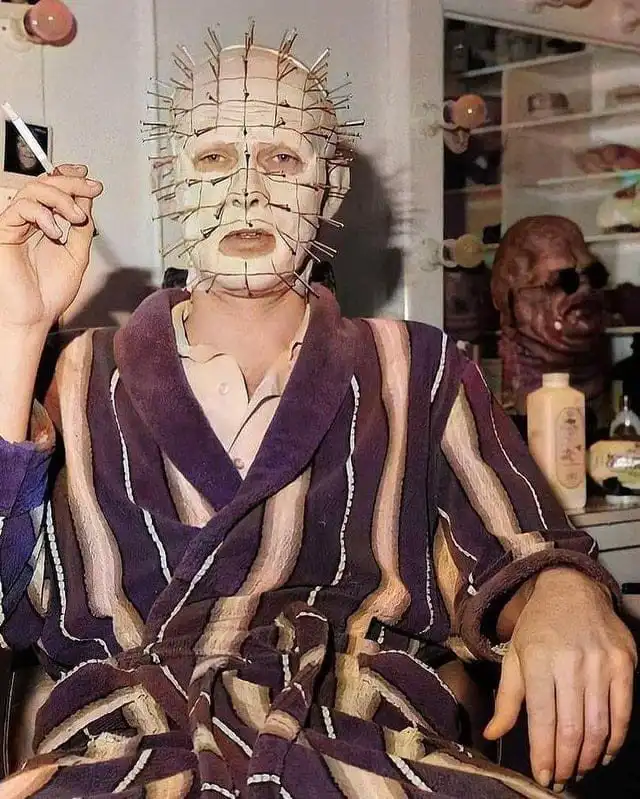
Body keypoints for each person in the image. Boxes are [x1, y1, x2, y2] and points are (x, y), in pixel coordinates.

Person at [0, 31, 635, 798]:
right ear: (170, 182)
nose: (246, 191)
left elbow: (517, 545)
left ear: (330, 190)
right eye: (213, 158)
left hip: (368, 749)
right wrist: (17, 330)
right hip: (125, 760)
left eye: (280, 158)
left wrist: (566, 590)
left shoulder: (419, 369)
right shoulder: (69, 376)